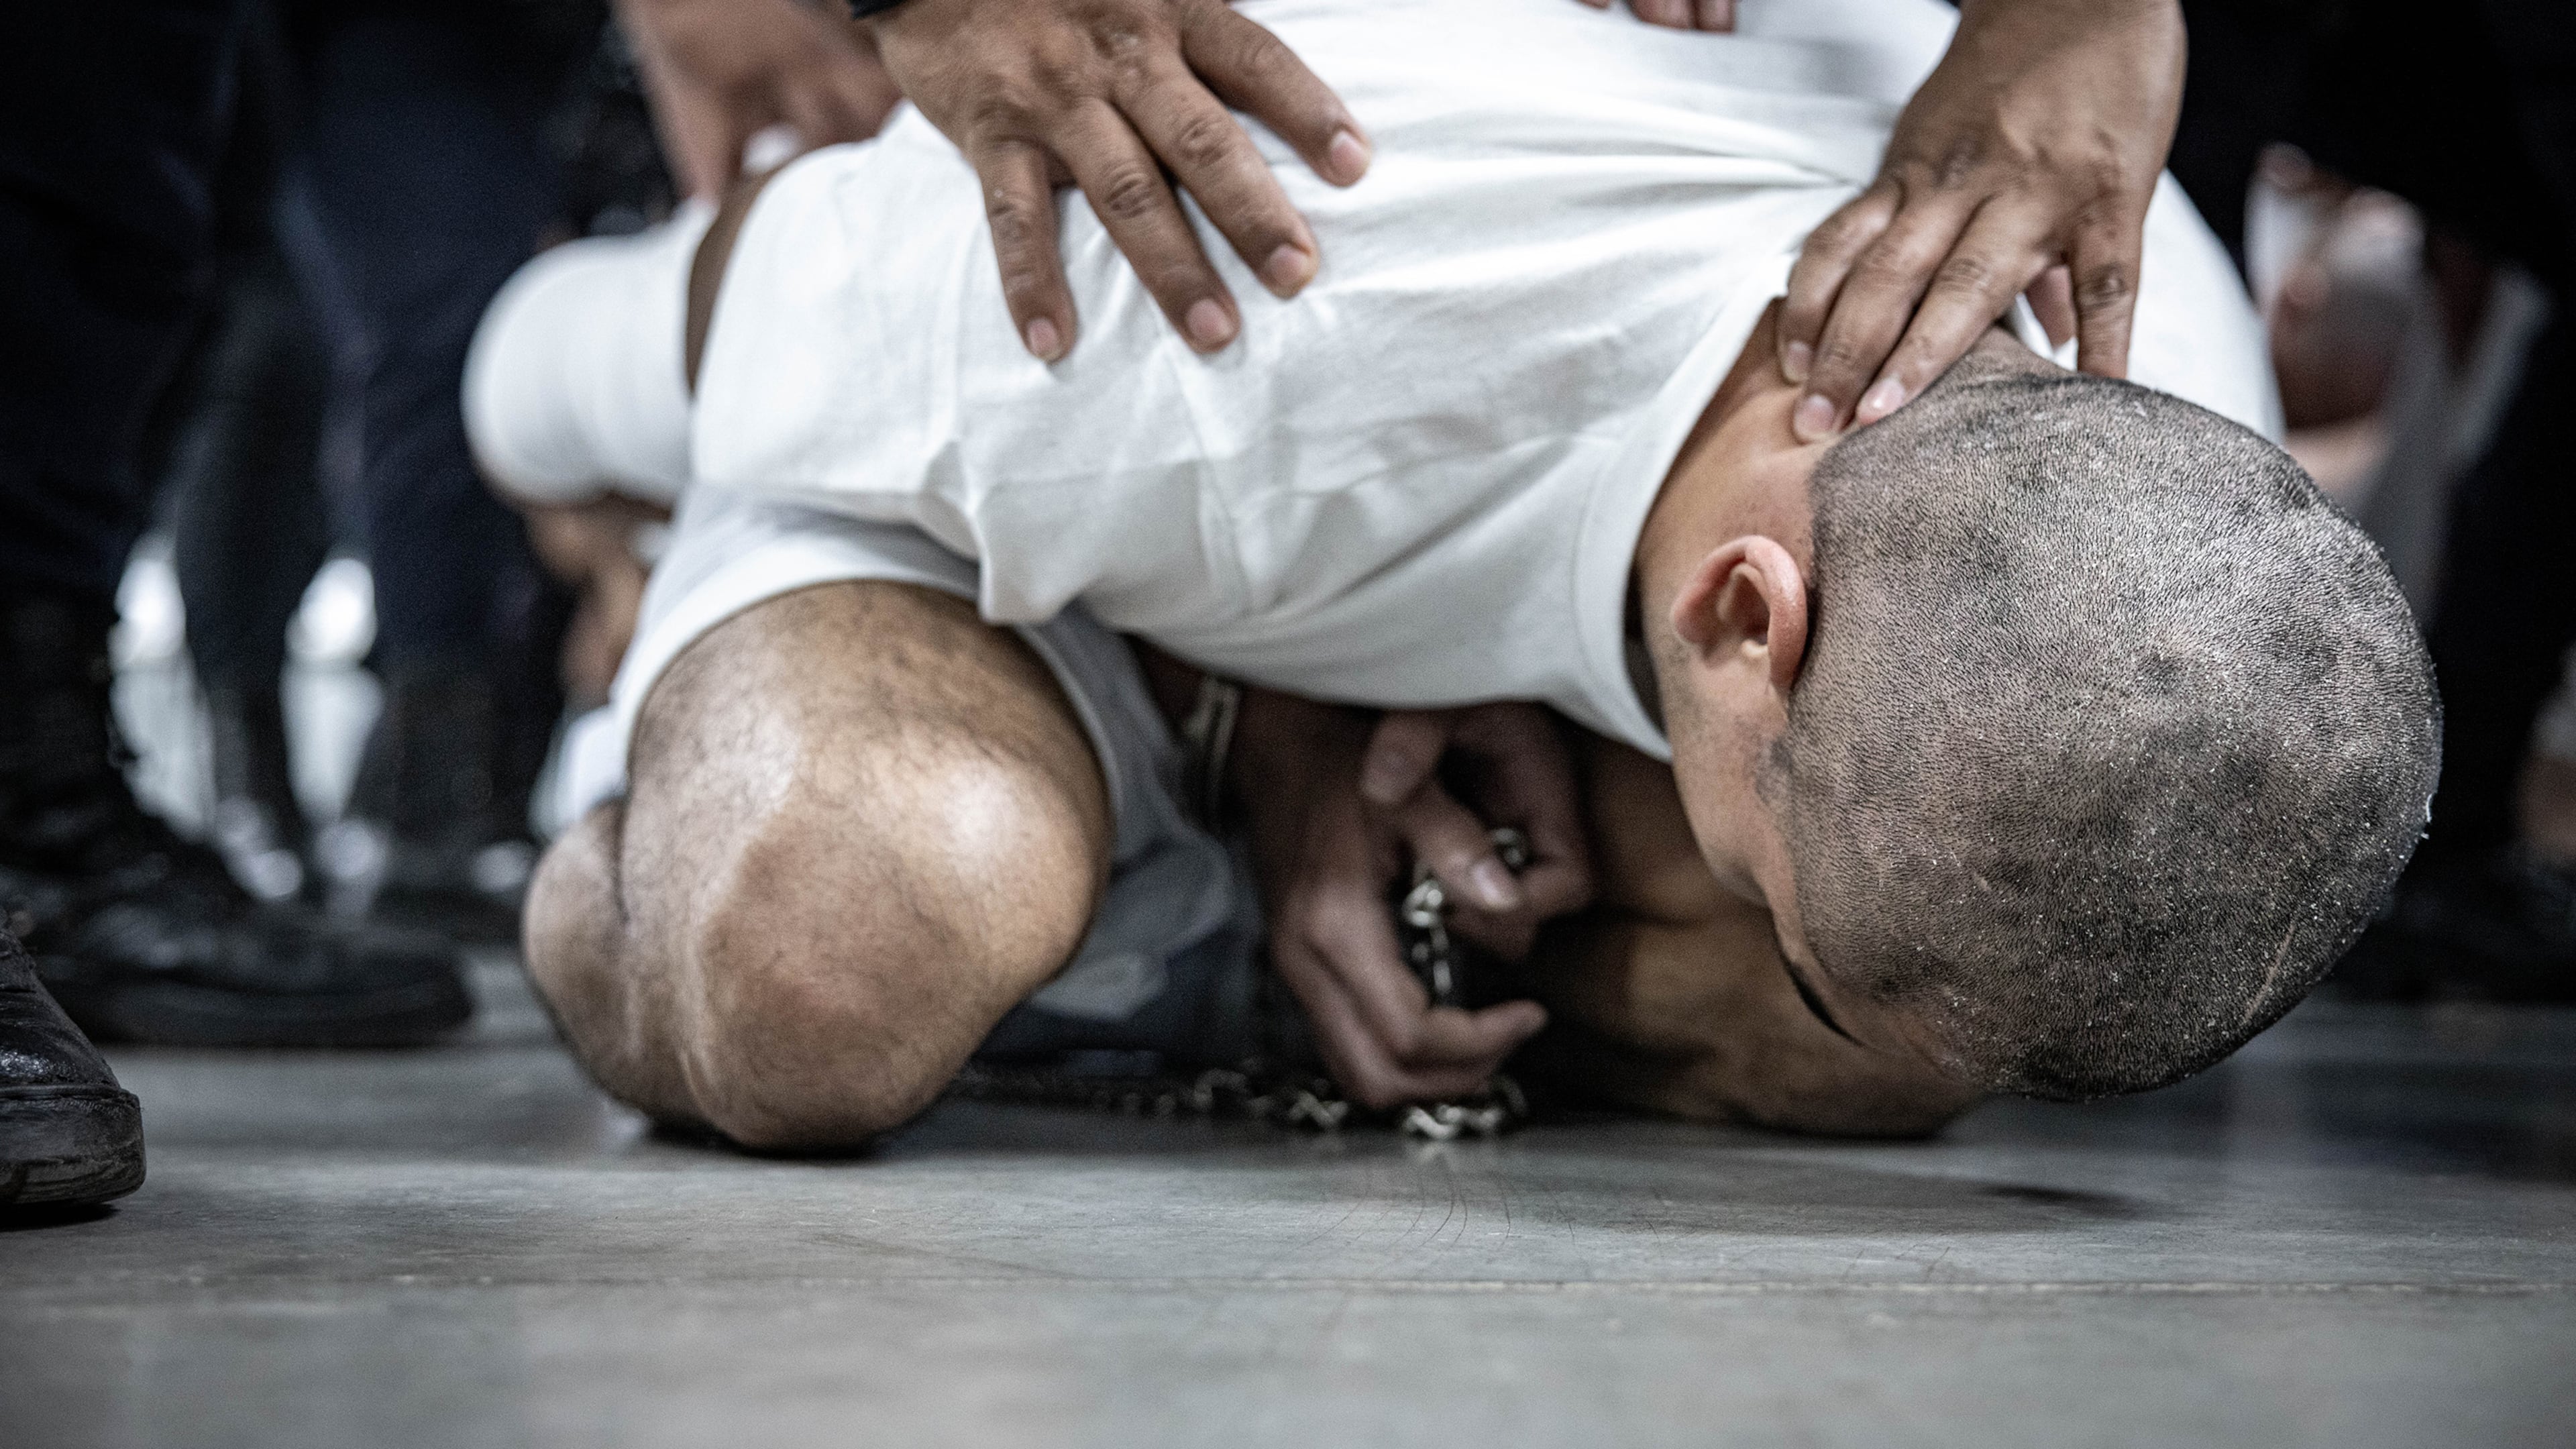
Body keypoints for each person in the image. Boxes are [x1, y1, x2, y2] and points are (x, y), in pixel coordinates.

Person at [464, 0, 2436, 1148]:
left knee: (1895, 1035)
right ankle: (672, 818)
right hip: (1046, 553)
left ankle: (1263, 946)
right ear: (1745, 616)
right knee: (822, 963)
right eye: (1756, 845)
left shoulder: (2151, 330)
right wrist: (1269, 707)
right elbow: (602, 357)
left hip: (1363, 516)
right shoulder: (1196, 303)